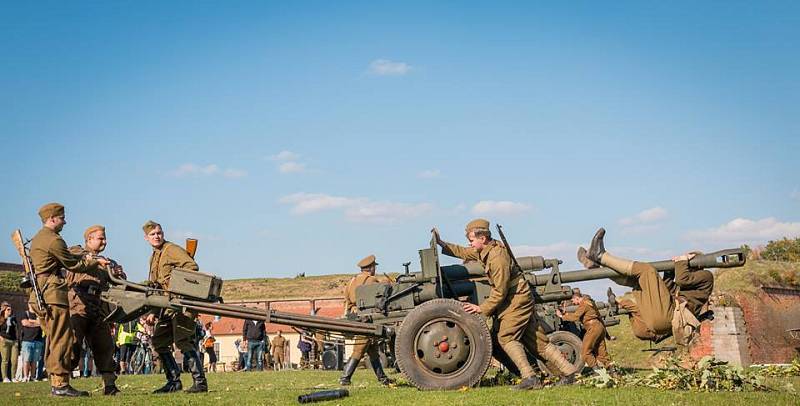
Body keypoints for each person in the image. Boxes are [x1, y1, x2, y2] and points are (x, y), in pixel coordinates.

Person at [433, 219, 578, 390]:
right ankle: (570, 372)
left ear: (483, 238)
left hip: (516, 299)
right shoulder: (485, 251)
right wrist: (441, 243)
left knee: (506, 337)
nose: (469, 243)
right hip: (515, 298)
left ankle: (530, 377)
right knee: (538, 342)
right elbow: (464, 252)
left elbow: (500, 291)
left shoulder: (496, 257)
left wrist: (482, 308)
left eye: (471, 239)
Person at [579, 228, 714, 345]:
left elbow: (682, 279)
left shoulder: (706, 276)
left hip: (669, 317)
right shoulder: (691, 289)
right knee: (638, 282)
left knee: (647, 271)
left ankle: (600, 255)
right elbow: (667, 292)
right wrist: (669, 272)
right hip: (664, 318)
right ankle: (596, 267)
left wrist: (682, 261)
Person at [28, 203, 109, 396]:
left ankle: (59, 383)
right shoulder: (54, 240)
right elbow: (73, 264)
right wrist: (95, 262)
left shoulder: (39, 238)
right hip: (52, 293)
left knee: (57, 339)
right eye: (62, 217)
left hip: (42, 292)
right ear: (53, 218)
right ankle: (60, 385)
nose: (65, 221)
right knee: (61, 340)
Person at [142, 220, 208, 393]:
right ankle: (174, 382)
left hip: (182, 302)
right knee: (159, 342)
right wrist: (153, 311)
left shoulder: (171, 250)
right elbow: (156, 286)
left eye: (159, 233)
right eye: (153, 234)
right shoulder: (155, 255)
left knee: (183, 341)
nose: (157, 237)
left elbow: (191, 266)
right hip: (166, 305)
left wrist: (175, 284)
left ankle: (200, 383)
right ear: (146, 238)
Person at [67, 225, 124, 394]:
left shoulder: (105, 261)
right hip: (78, 304)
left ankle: (110, 385)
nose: (104, 242)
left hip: (97, 306)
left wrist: (118, 273)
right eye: (101, 238)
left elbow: (118, 281)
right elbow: (71, 256)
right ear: (89, 239)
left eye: (105, 238)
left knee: (104, 346)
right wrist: (93, 260)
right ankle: (61, 384)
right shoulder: (77, 252)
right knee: (73, 345)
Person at [338, 255, 393, 386]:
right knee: (359, 348)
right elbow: (381, 299)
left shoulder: (352, 281)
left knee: (372, 350)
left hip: (355, 317)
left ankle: (382, 378)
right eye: (374, 267)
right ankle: (345, 377)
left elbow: (346, 299)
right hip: (367, 319)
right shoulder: (372, 281)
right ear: (371, 268)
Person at [556, 293, 611, 372]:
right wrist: (606, 334)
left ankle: (598, 371)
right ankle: (612, 370)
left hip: (593, 328)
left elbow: (575, 317)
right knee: (601, 352)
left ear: (577, 298)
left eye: (573, 301)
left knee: (585, 352)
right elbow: (598, 316)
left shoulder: (583, 304)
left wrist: (562, 316)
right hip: (599, 327)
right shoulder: (590, 302)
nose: (573, 303)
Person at [20, 305, 44, 382]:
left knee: (34, 360)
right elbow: (25, 323)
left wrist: (31, 321)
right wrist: (36, 323)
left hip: (38, 340)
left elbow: (41, 323)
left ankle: (33, 377)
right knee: (26, 360)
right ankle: (25, 377)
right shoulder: (25, 313)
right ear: (29, 304)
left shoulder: (39, 314)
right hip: (27, 340)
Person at [0, 302, 21, 383]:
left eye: (11, 310)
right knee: (5, 360)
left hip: (13, 341)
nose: (10, 311)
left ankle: (13, 377)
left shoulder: (13, 318)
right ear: (4, 310)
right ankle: (5, 377)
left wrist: (17, 339)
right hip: (4, 341)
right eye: (8, 310)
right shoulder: (1, 319)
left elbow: (17, 328)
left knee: (14, 360)